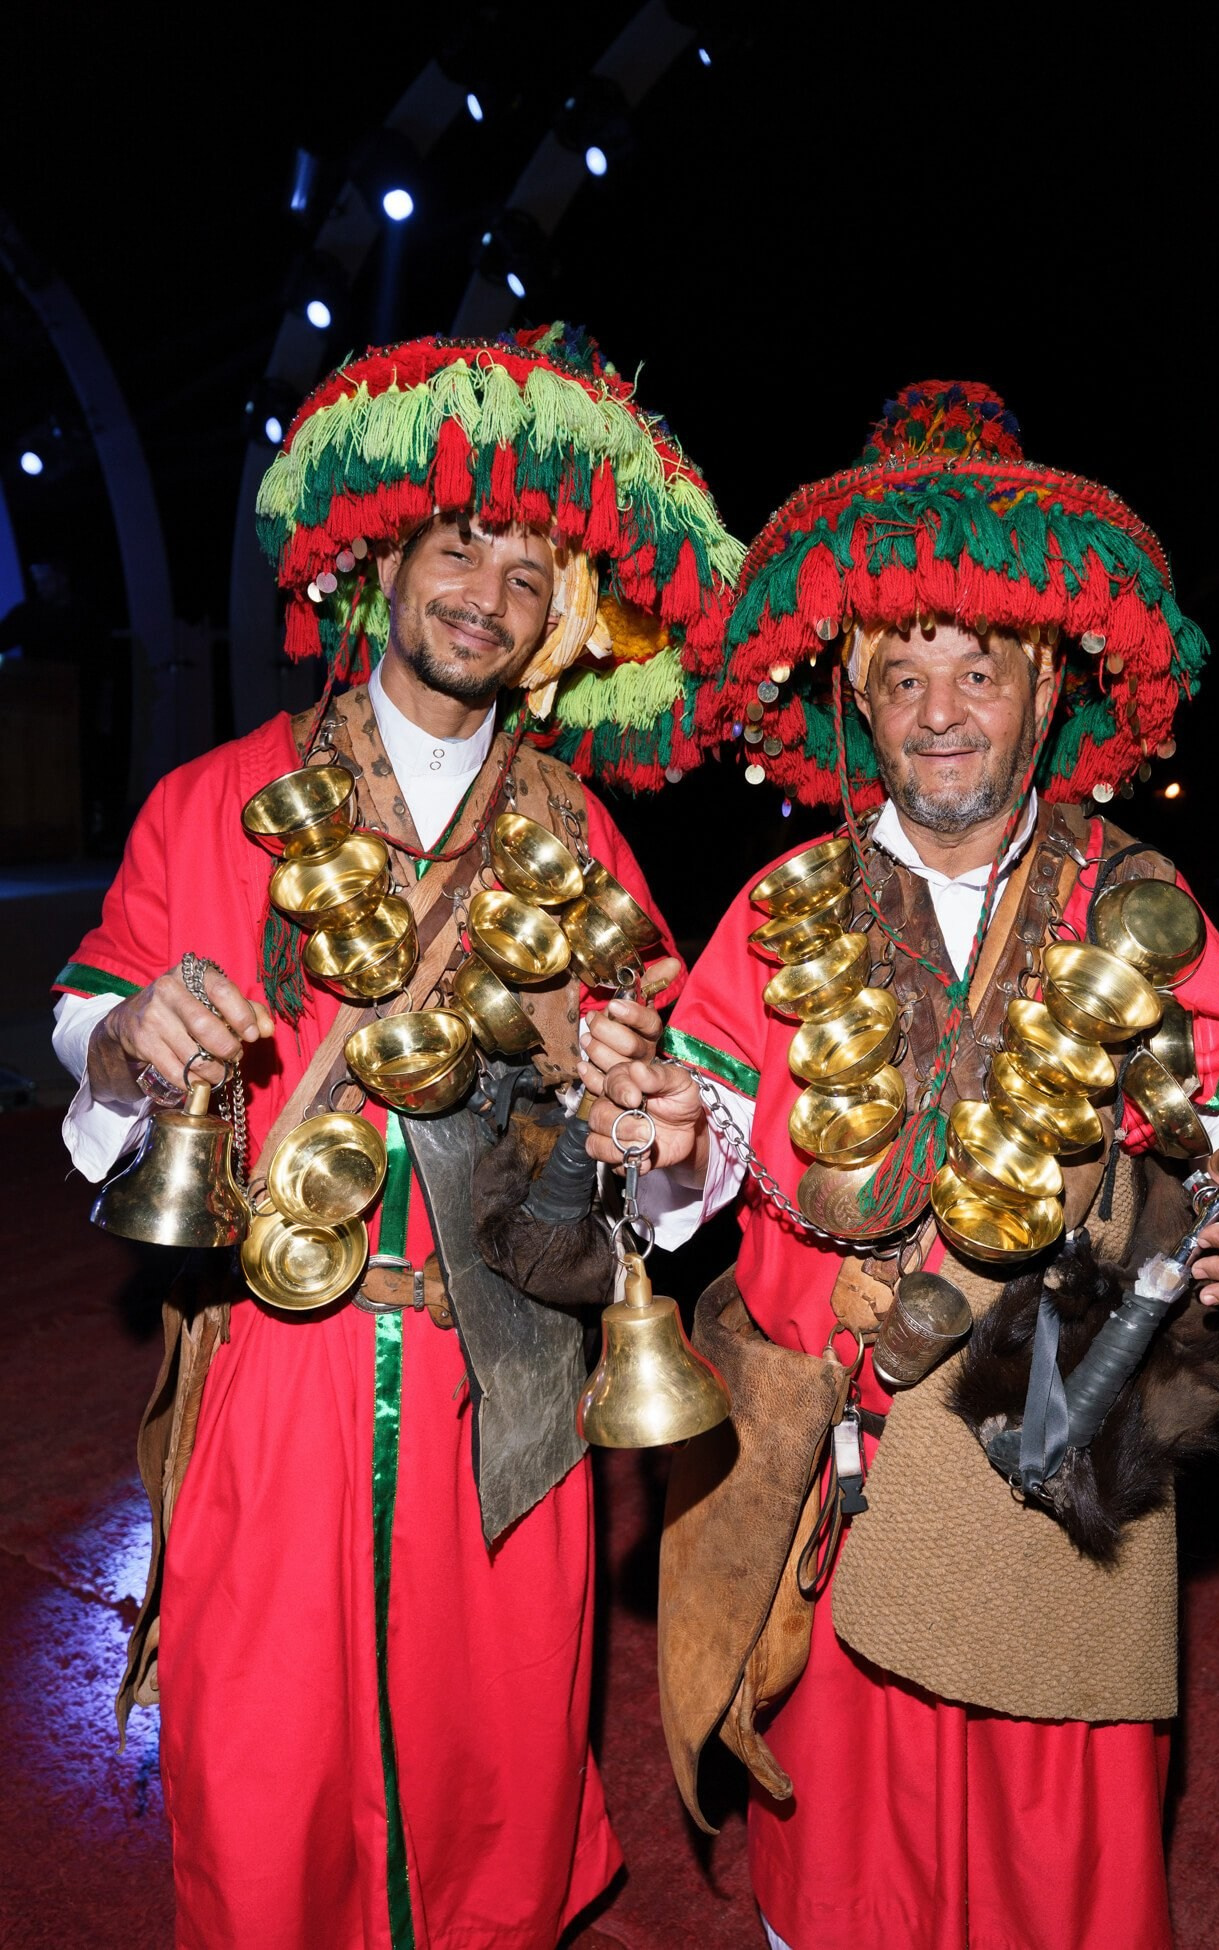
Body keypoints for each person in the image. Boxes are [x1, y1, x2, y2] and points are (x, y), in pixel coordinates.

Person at [588, 381, 1219, 1950]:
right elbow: (697, 1142)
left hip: (1051, 1463)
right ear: (855, 698)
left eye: (976, 671)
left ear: (1046, 689)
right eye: (899, 675)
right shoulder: (778, 904)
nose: (937, 712)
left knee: (1063, 1856)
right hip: (839, 1476)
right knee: (846, 1870)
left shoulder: (1130, 895)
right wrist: (662, 1139)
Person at [52, 324, 742, 1950]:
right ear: (380, 560)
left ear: (557, 623)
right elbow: (86, 1017)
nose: (487, 595)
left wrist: (664, 1128)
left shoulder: (583, 840)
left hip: (503, 1380)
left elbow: (672, 1136)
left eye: (528, 574)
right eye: (461, 546)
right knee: (261, 1766)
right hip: (272, 1373)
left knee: (487, 1775)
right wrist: (131, 1038)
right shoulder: (212, 799)